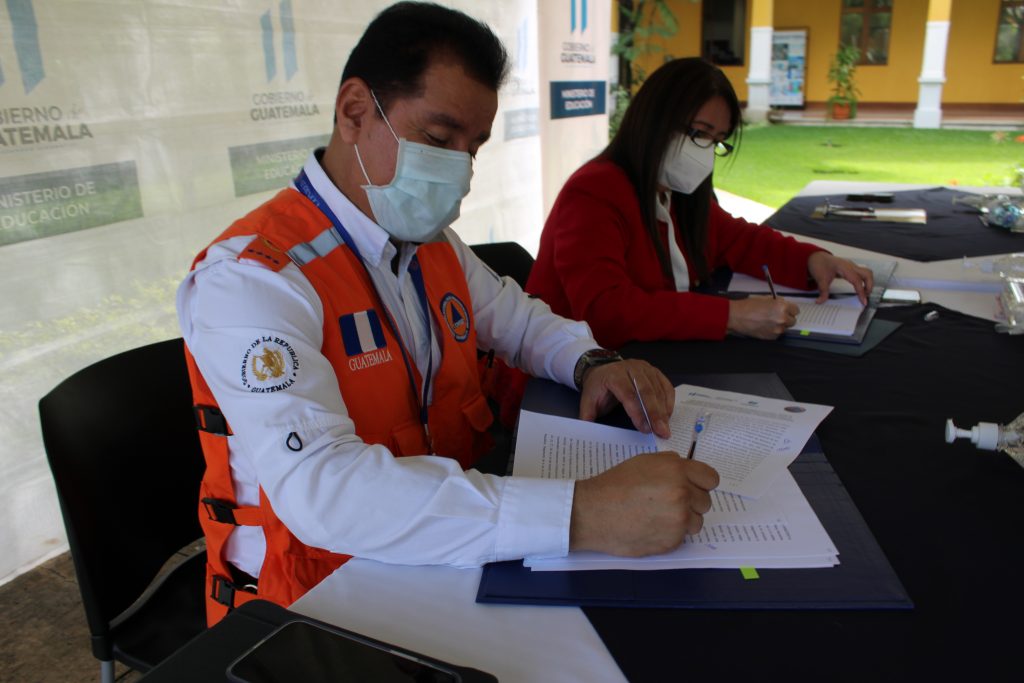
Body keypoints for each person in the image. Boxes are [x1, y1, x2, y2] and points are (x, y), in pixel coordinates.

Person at [178, 2, 719, 626]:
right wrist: (584, 513)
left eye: (473, 149)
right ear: (354, 111)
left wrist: (591, 361)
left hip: (445, 551)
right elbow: (325, 492)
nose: (460, 172)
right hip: (318, 600)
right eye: (439, 140)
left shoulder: (429, 243)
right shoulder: (252, 278)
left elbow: (518, 321)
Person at [526, 57, 874, 349]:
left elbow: (739, 240)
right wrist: (732, 316)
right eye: (699, 133)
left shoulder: (677, 192)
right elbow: (605, 311)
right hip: (566, 378)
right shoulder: (594, 193)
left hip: (646, 360)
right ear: (655, 119)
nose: (705, 150)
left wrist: (812, 260)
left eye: (717, 140)